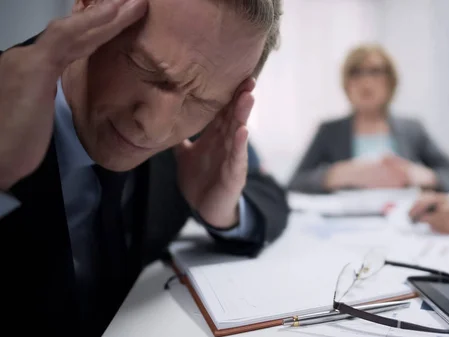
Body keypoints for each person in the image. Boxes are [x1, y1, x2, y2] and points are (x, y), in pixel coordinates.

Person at [0, 0, 288, 336]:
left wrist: (223, 209)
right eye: (145, 67)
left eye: (203, 101)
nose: (156, 128)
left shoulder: (201, 131)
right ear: (89, 5)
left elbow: (266, 192)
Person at [288, 44, 449, 194]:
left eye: (375, 72)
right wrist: (335, 175)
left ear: (391, 81)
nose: (365, 82)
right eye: (356, 73)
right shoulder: (330, 131)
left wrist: (424, 175)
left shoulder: (412, 129)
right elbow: (294, 184)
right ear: (346, 83)